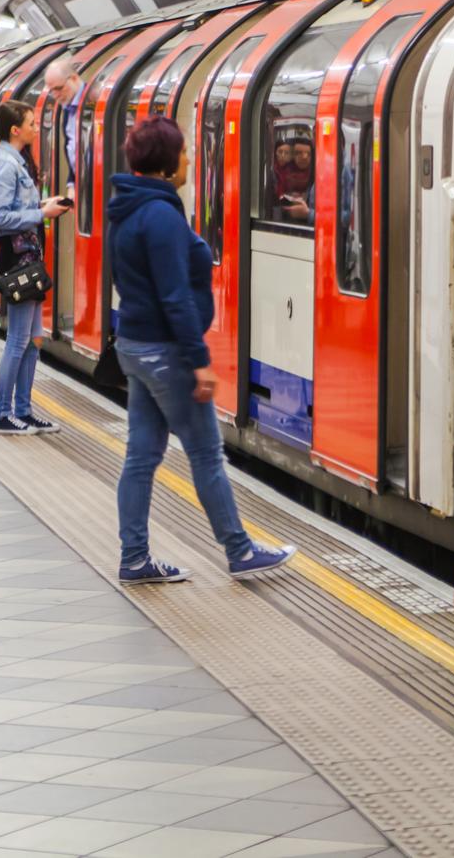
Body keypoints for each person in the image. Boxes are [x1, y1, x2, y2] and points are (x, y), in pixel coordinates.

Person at [109, 116, 295, 584]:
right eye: (185, 152)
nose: (190, 159)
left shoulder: (126, 208)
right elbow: (173, 296)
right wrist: (198, 361)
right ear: (169, 163)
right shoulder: (161, 217)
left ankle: (134, 558)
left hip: (134, 344)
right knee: (206, 454)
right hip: (166, 352)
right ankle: (239, 550)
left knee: (142, 456)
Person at [0, 99, 66, 434]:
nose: (36, 127)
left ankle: (24, 409)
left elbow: (15, 207)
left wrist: (43, 205)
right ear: (15, 129)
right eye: (31, 123)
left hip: (28, 257)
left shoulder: (14, 161)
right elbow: (0, 218)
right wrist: (40, 214)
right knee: (18, 340)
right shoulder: (5, 164)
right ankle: (3, 414)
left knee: (33, 339)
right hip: (18, 259)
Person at [42, 55, 80, 175]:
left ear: (73, 78)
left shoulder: (92, 101)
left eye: (58, 88)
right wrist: (71, 183)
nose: (55, 95)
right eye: (51, 90)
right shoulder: (67, 108)